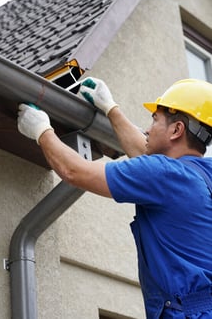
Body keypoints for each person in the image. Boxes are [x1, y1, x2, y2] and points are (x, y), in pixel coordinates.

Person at [17, 77, 212, 318]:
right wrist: (110, 108)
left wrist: (41, 131)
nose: (148, 129)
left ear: (176, 130)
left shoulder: (166, 175)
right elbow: (146, 154)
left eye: (155, 119)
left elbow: (75, 171)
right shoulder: (202, 175)